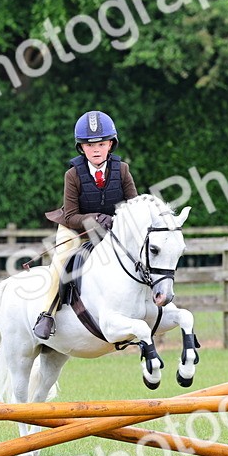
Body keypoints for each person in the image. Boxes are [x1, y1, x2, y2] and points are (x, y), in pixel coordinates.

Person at [34, 110, 138, 339]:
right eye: (90, 146)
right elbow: (70, 215)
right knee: (61, 260)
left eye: (101, 144)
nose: (96, 150)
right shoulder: (72, 175)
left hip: (111, 229)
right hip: (75, 229)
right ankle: (47, 314)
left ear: (111, 144)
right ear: (81, 148)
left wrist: (115, 219)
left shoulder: (122, 170)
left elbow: (133, 207)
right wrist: (93, 219)